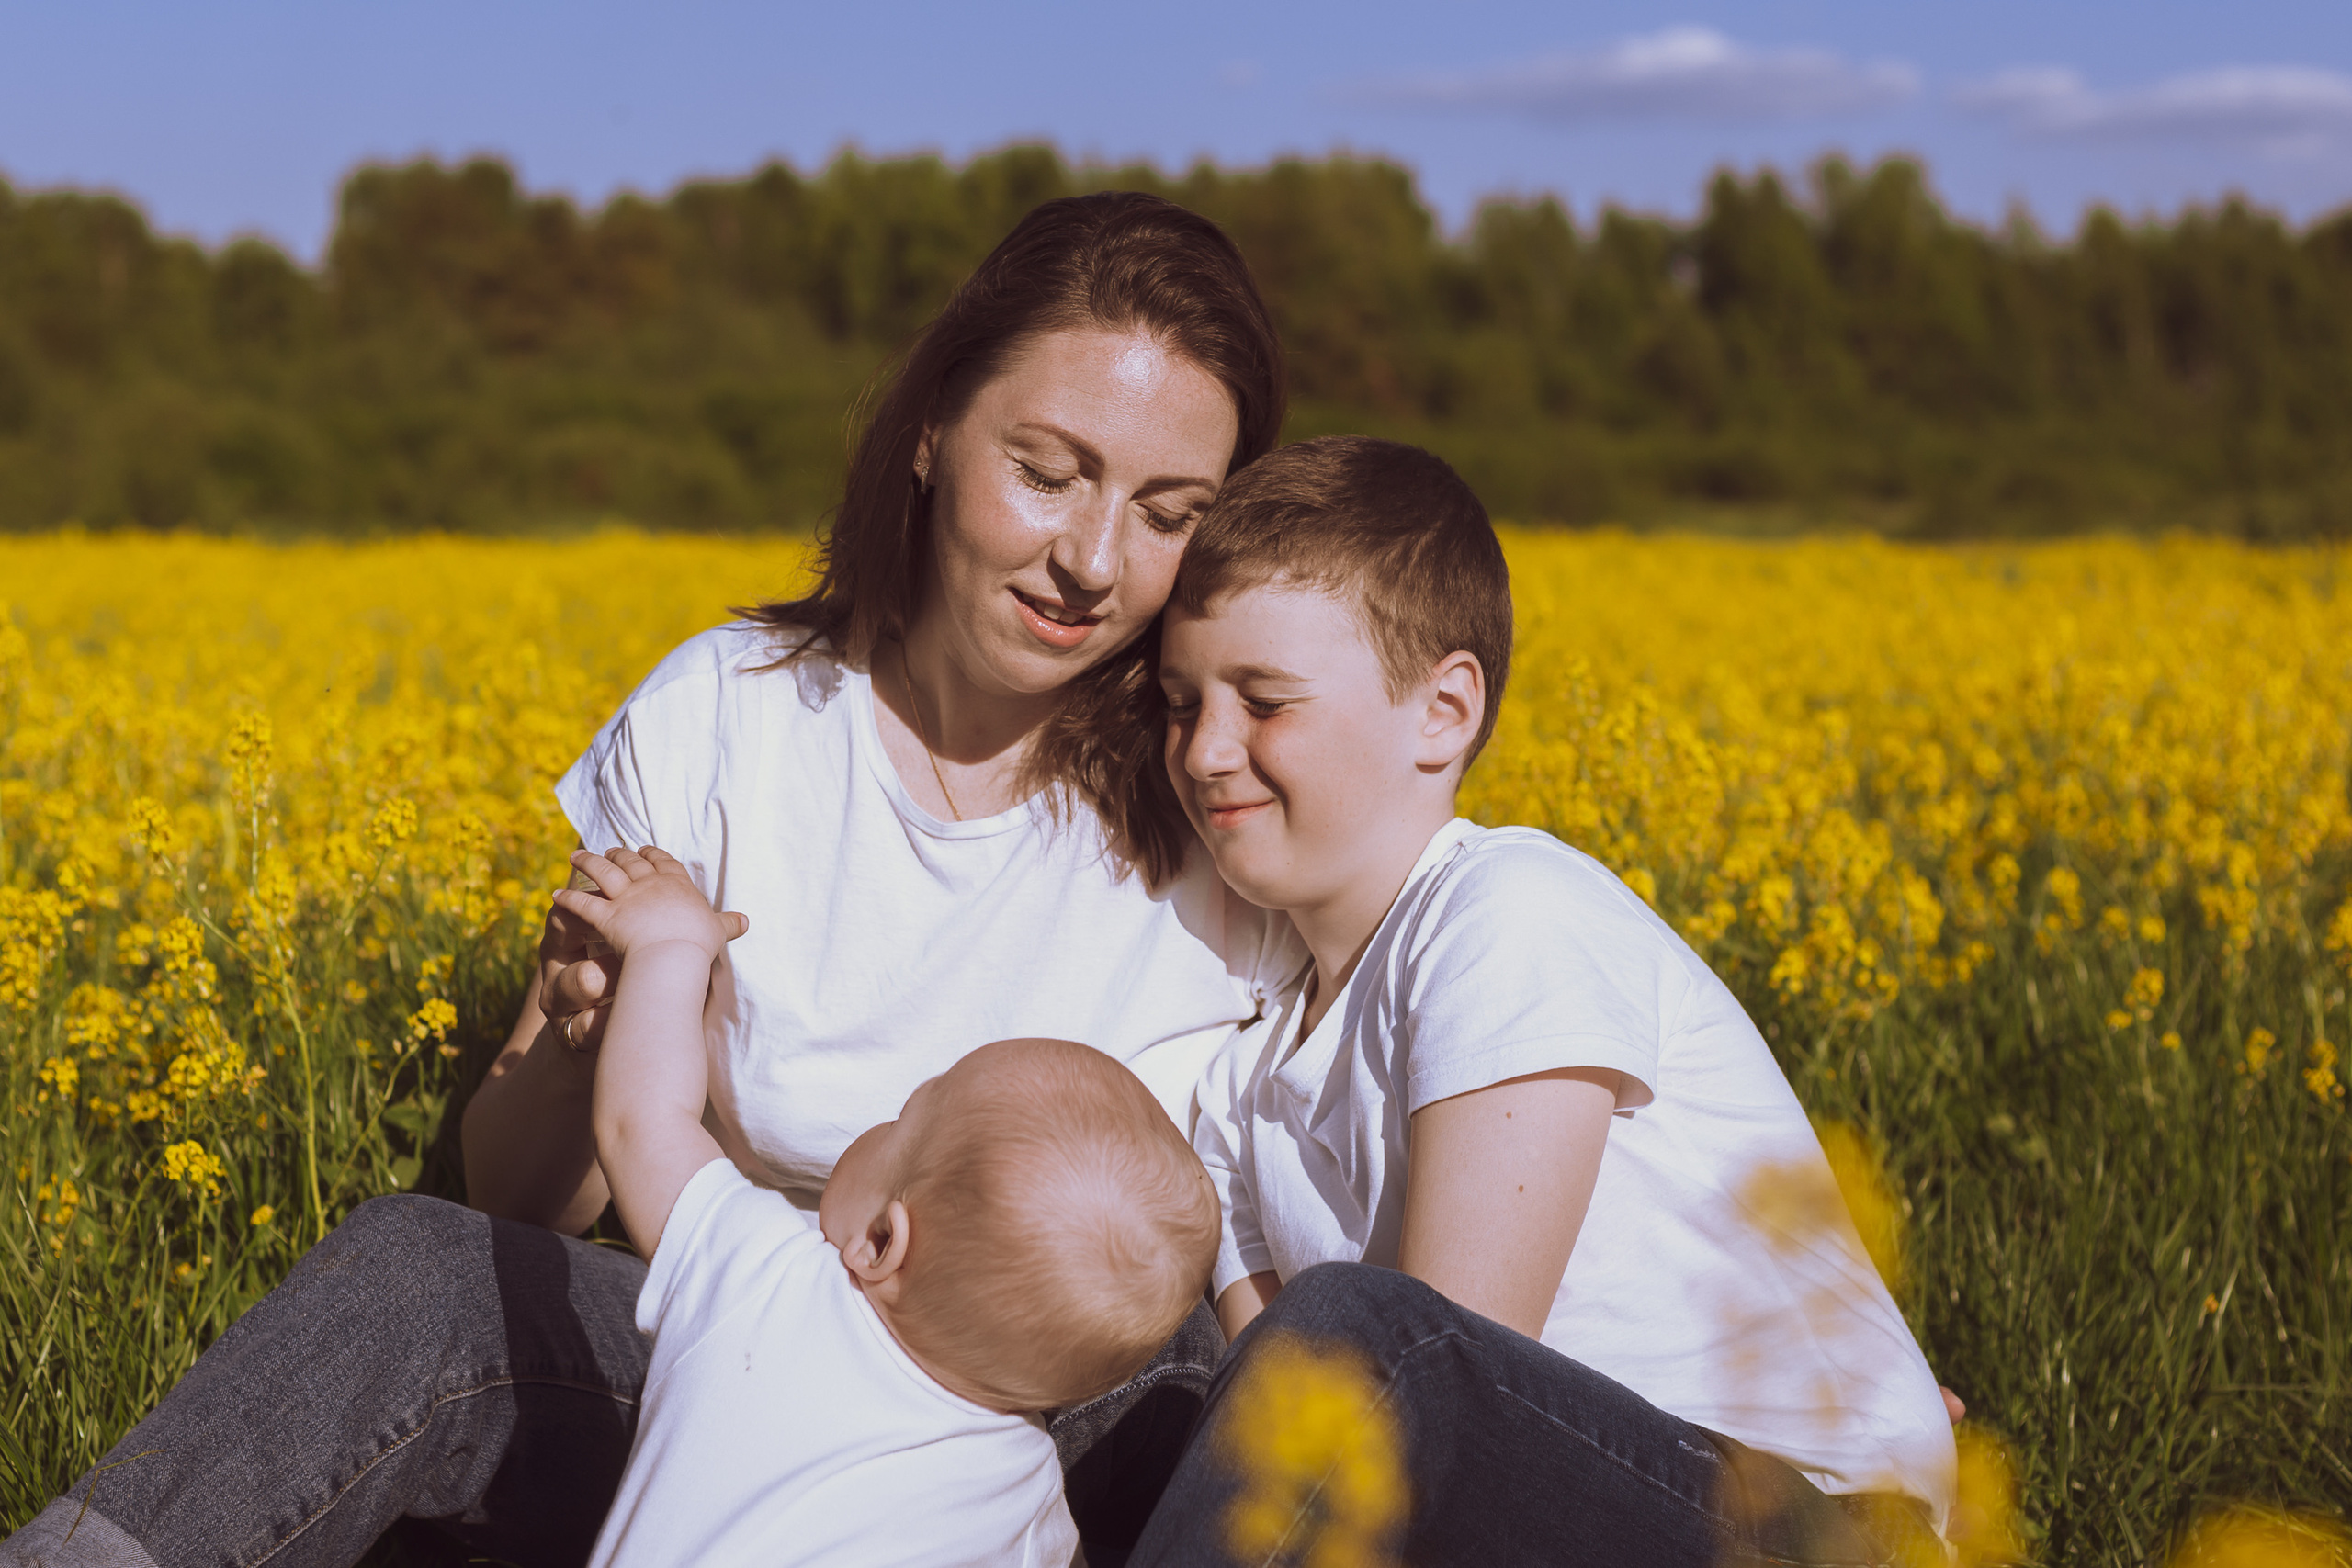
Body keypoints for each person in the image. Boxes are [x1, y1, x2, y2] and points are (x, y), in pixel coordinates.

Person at [0, 190, 1292, 1568]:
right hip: (728, 1369)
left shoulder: (1222, 795)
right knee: (417, 1269)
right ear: (929, 432)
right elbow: (511, 1202)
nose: (1095, 561)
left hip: (1058, 1447)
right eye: (1048, 470)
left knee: (1203, 1402)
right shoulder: (725, 713)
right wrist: (573, 1037)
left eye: (1168, 514)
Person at [1125, 436, 1958, 1566]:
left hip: (1816, 1531)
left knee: (1368, 1338)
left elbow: (1433, 1387)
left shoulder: (1506, 911)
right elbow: (1276, 1451)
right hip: (1564, 1507)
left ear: (1444, 710)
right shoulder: (1236, 1087)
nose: (1205, 750)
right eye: (1180, 703)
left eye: (1264, 700)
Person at [555, 843, 1215, 1567]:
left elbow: (641, 1119)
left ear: (880, 1241)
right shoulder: (1030, 1505)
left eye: (904, 1117)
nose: (884, 1119)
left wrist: (670, 944)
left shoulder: (771, 1278)